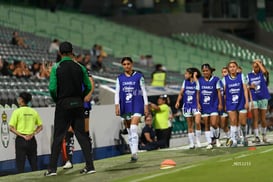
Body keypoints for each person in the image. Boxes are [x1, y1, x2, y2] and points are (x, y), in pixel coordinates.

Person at [45, 41, 95, 176]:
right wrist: (81, 97)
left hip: (63, 104)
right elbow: (89, 86)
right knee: (82, 136)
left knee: (58, 137)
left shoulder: (56, 67)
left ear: (60, 52)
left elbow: (52, 88)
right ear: (72, 52)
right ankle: (90, 166)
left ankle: (52, 169)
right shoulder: (80, 67)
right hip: (78, 104)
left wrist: (58, 99)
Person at [62, 51, 96, 169]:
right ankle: (69, 161)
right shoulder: (63, 68)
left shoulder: (82, 68)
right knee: (70, 130)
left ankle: (89, 160)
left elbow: (91, 82)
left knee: (84, 131)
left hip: (83, 104)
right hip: (69, 103)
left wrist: (89, 94)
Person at [115, 57, 149, 162]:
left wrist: (146, 105)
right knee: (129, 129)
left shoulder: (139, 76)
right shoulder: (119, 78)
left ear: (132, 64)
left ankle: (135, 152)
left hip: (137, 104)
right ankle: (133, 152)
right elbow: (117, 92)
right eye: (124, 64)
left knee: (133, 127)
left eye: (128, 64)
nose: (126, 66)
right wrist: (117, 105)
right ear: (122, 65)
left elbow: (143, 91)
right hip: (125, 105)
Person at [9, 92, 43, 173]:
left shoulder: (17, 112)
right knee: (34, 164)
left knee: (20, 165)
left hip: (21, 140)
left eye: (19, 98)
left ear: (21, 100)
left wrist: (22, 136)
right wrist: (33, 134)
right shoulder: (33, 111)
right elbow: (40, 127)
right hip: (32, 140)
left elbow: (11, 128)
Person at [222, 60, 249, 147]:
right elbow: (224, 93)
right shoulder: (225, 79)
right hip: (230, 102)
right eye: (230, 67)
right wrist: (224, 104)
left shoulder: (241, 76)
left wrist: (247, 101)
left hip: (241, 102)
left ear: (237, 68)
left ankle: (244, 137)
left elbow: (245, 90)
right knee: (233, 121)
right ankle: (234, 140)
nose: (232, 68)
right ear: (228, 69)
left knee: (243, 122)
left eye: (234, 66)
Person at [175, 67, 202, 149]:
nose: (185, 74)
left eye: (186, 73)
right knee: (190, 125)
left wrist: (195, 77)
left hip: (195, 105)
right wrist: (178, 101)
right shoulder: (185, 82)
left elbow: (199, 89)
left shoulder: (197, 82)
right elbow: (181, 93)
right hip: (187, 105)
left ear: (191, 74)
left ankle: (198, 140)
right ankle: (191, 143)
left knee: (197, 122)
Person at [197, 64, 222, 149]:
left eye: (206, 70)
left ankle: (217, 138)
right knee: (207, 124)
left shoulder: (216, 80)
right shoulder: (199, 80)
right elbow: (197, 93)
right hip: (204, 105)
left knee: (214, 123)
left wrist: (220, 103)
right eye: (203, 71)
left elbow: (219, 92)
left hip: (214, 104)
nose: (205, 72)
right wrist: (198, 103)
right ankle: (209, 142)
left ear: (210, 71)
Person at [247, 59, 271, 143]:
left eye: (257, 66)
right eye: (254, 65)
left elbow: (265, 72)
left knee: (263, 118)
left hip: (263, 97)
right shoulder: (249, 75)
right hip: (254, 98)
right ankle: (256, 136)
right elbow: (245, 86)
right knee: (255, 118)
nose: (255, 66)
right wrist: (250, 86)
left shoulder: (263, 74)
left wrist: (259, 63)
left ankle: (264, 135)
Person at [219, 67, 231, 146]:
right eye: (223, 72)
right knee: (223, 125)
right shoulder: (220, 82)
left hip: (232, 104)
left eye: (225, 72)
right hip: (223, 106)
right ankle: (229, 137)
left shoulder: (232, 80)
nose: (224, 73)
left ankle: (238, 138)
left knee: (235, 122)